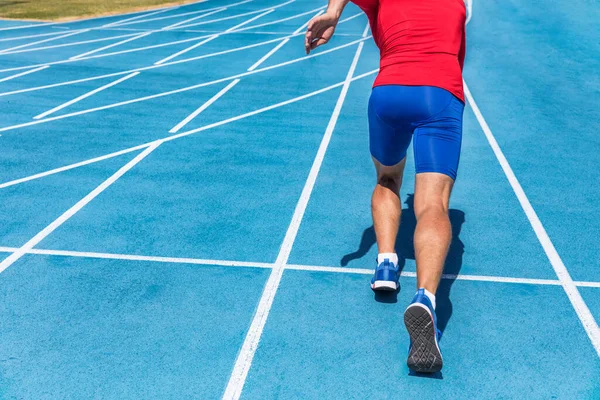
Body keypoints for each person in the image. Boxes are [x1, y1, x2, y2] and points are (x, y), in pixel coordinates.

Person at [305, 0, 466, 373]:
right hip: (440, 92)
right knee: (433, 206)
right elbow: (461, 55)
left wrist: (333, 13)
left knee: (388, 179)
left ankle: (385, 262)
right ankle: (425, 298)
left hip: (389, 91)